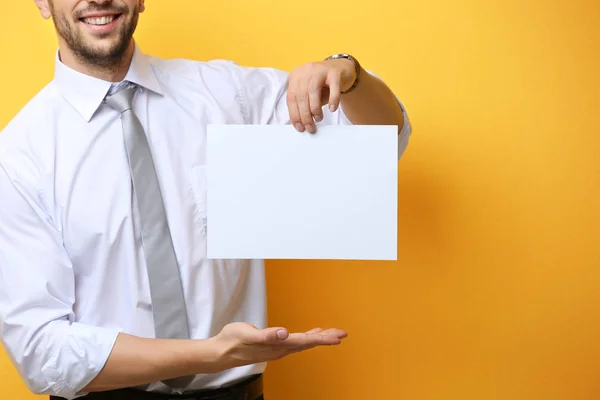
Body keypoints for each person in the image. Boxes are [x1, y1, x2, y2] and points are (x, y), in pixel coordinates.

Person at [0, 0, 412, 399]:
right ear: (41, 1)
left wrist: (349, 72)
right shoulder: (19, 155)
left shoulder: (227, 95)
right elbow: (42, 352)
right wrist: (213, 354)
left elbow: (378, 144)